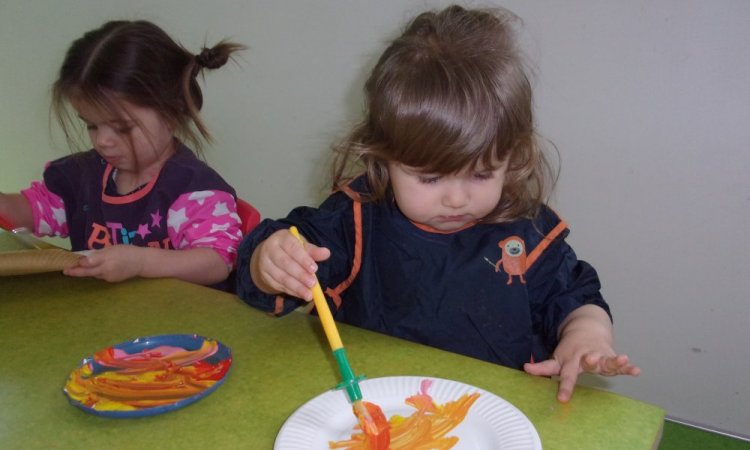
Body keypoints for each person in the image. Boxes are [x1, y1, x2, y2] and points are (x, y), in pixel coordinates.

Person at [235, 5, 639, 401]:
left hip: (497, 414)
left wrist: (587, 334)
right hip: (376, 410)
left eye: (482, 174)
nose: (457, 197)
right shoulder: (356, 218)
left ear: (512, 159)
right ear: (382, 156)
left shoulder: (528, 232)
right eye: (429, 177)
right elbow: (275, 259)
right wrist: (270, 262)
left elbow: (576, 297)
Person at [0, 20, 252, 288]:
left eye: (122, 128)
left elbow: (217, 261)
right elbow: (37, 211)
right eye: (91, 125)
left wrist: (140, 263)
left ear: (173, 113)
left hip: (180, 323)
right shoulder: (85, 173)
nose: (103, 141)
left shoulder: (194, 188)